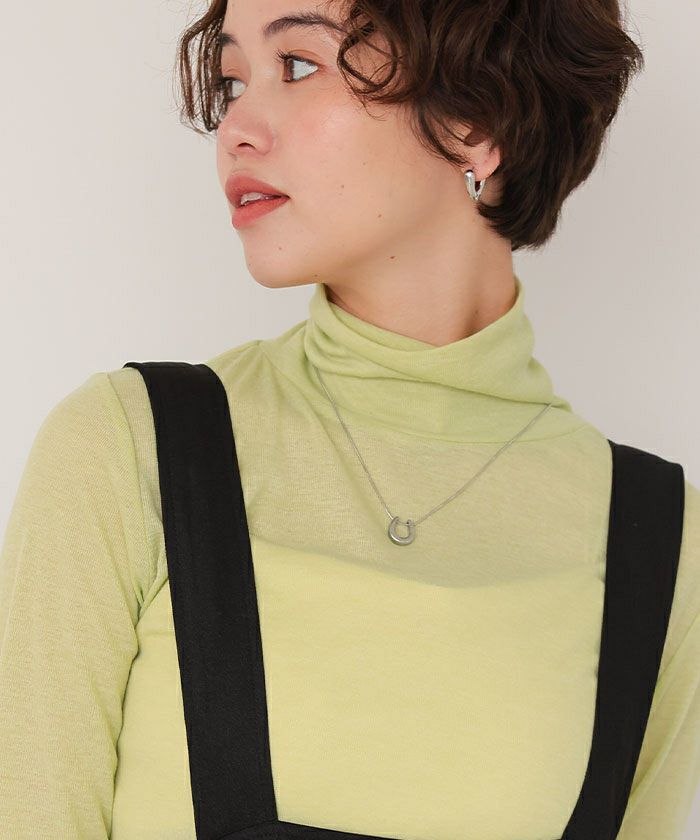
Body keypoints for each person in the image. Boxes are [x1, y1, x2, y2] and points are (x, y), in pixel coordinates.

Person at [1, 1, 698, 838]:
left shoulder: (664, 544)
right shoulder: (129, 451)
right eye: (232, 81)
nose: (236, 131)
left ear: (476, 120)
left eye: (297, 66)